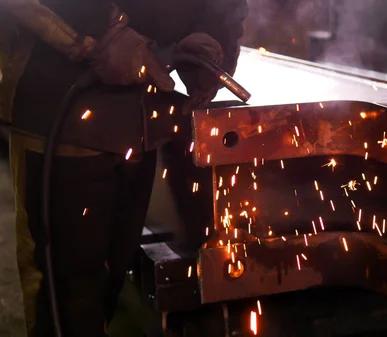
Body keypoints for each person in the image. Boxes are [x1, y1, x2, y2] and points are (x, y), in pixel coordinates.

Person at [0, 0, 248, 336]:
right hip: (63, 113)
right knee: (65, 299)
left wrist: (211, 35)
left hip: (141, 120)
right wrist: (102, 29)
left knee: (106, 287)